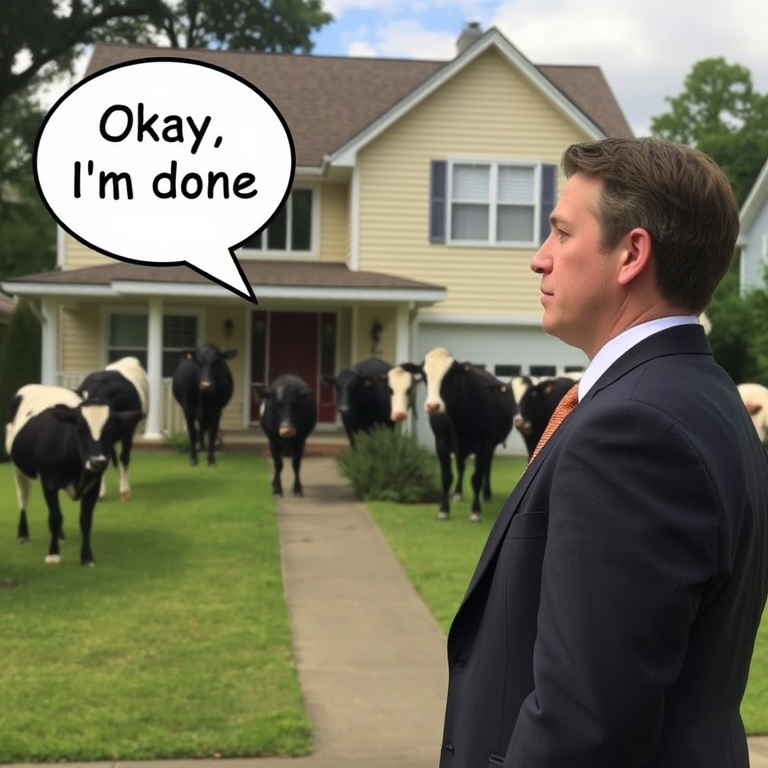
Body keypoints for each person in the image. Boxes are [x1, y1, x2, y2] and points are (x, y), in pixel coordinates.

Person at [438, 137, 768, 768]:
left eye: (562, 233)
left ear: (631, 254)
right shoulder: (704, 395)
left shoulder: (633, 430)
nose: (539, 259)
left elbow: (583, 728)